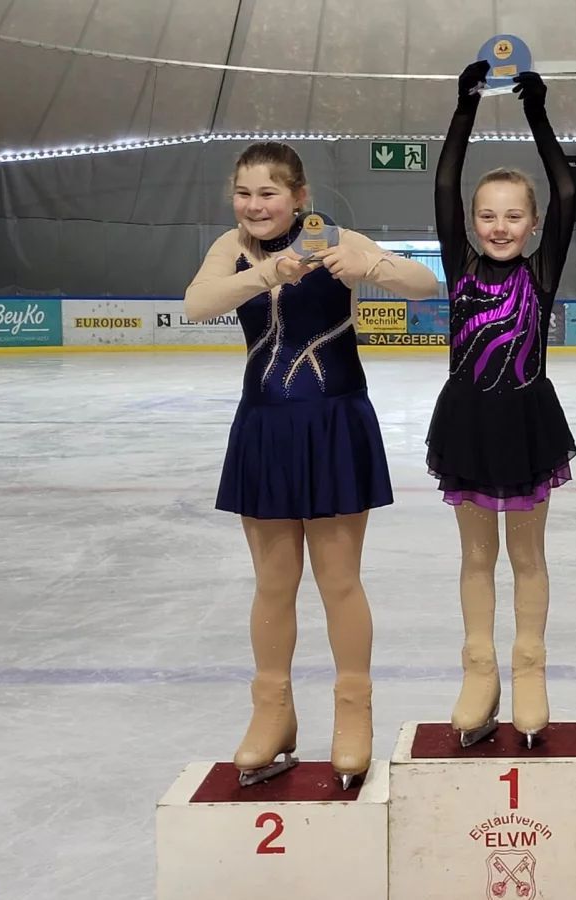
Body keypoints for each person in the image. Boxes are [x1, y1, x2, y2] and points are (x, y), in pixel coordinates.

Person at [183, 141, 439, 788]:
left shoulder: (334, 238)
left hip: (332, 423)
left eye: (268, 193)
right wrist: (269, 273)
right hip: (265, 426)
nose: (254, 205)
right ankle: (272, 711)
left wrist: (370, 264)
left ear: (299, 196)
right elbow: (196, 304)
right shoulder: (231, 247)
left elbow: (426, 283)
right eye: (243, 193)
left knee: (338, 581)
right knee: (273, 583)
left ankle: (354, 709)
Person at [427, 61, 576, 747]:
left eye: (514, 215)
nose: (499, 225)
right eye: (487, 215)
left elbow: (568, 188)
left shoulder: (540, 273)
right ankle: (479, 669)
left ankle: (529, 666)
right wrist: (465, 107)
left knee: (528, 557)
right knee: (475, 558)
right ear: (470, 222)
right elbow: (444, 182)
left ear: (534, 222)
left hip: (526, 422)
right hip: (466, 423)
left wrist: (535, 113)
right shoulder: (460, 266)